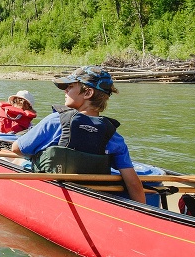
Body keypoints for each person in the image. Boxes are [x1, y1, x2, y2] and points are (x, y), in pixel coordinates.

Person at [11, 66, 146, 203]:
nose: (65, 90)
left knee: (16, 160)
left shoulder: (55, 121)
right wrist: (143, 209)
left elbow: (16, 148)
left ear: (88, 93)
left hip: (54, 195)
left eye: (70, 86)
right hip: (93, 198)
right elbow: (133, 183)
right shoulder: (113, 135)